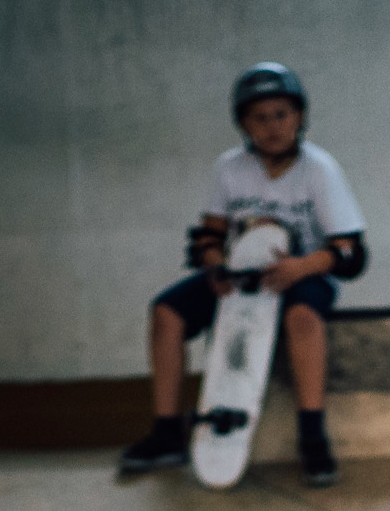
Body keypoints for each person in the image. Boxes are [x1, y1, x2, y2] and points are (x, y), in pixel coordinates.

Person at [119, 63, 368, 486]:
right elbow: (208, 234)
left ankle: (312, 436)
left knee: (302, 319)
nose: (272, 127)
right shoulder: (230, 168)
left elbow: (350, 250)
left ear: (300, 117)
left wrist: (301, 267)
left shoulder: (318, 169)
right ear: (243, 124)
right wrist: (216, 264)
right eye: (260, 118)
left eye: (281, 115)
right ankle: (166, 432)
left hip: (302, 272)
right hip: (241, 276)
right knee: (166, 312)